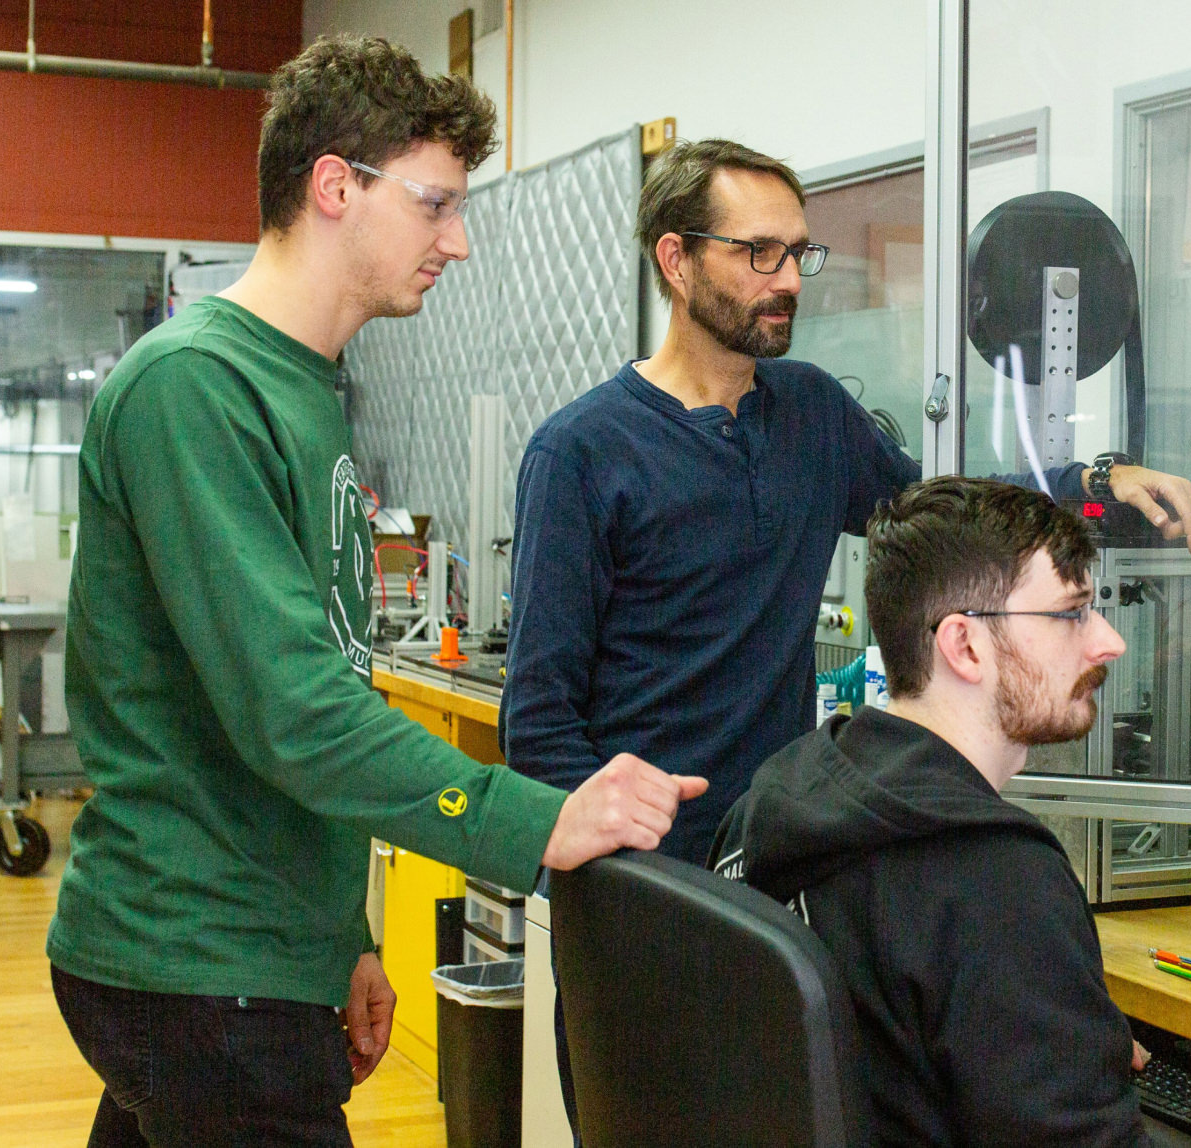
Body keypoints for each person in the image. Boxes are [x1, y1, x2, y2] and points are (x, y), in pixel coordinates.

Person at [46, 35, 704, 1148]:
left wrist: (339, 937)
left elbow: (305, 689)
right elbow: (294, 711)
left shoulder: (302, 388)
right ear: (335, 186)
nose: (457, 238)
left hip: (256, 955)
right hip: (200, 964)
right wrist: (537, 816)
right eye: (436, 203)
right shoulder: (195, 386)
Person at [501, 138, 1191, 863]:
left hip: (774, 849)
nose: (790, 281)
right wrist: (613, 868)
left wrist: (1092, 480)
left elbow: (947, 514)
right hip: (640, 876)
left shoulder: (811, 410)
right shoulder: (581, 452)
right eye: (759, 253)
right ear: (677, 260)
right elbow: (537, 721)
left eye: (798, 253)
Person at [710, 475, 1151, 1147]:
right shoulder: (998, 879)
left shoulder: (770, 803)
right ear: (965, 645)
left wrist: (1066, 1035)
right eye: (1072, 614)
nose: (1108, 642)